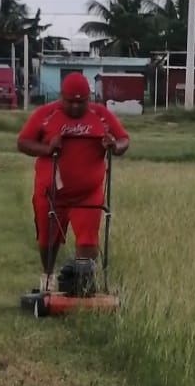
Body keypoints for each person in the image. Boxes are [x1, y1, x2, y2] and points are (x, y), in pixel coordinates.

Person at [17, 71, 130, 292]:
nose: (77, 107)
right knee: (47, 240)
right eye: (71, 102)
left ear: (89, 98)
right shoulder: (45, 115)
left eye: (82, 102)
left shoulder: (102, 115)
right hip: (51, 193)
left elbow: (124, 139)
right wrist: (47, 148)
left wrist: (114, 146)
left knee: (88, 241)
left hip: (88, 194)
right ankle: (48, 277)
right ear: (61, 96)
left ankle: (83, 285)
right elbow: (23, 142)